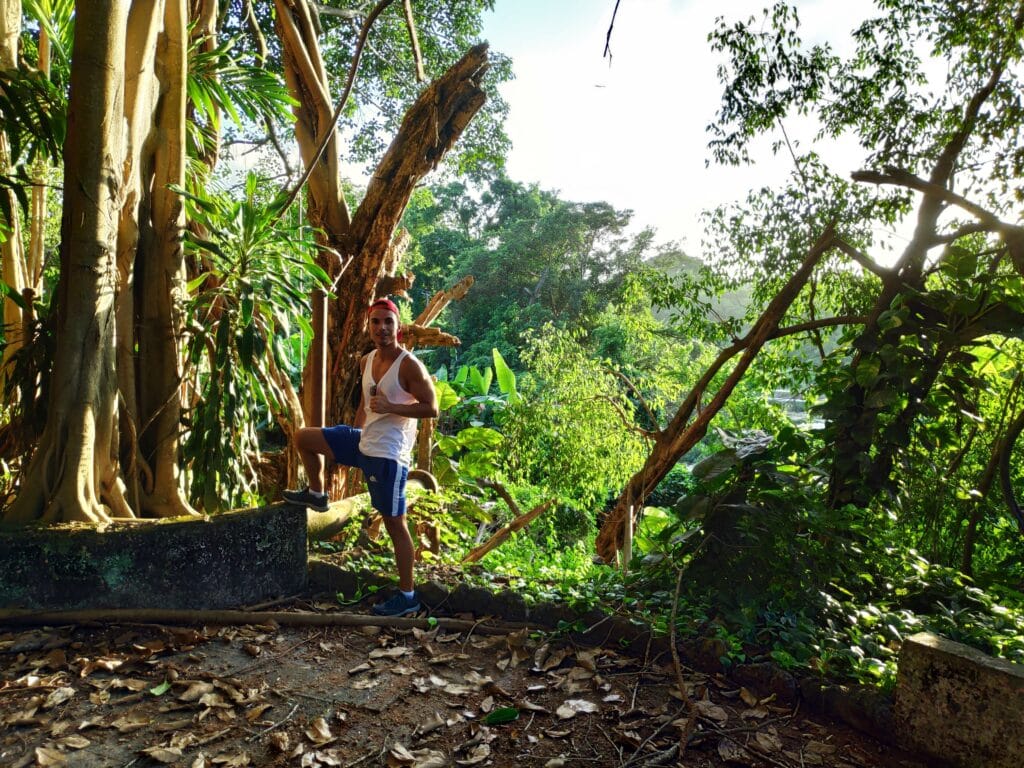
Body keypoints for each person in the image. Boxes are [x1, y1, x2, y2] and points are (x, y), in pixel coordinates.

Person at [283, 297, 439, 617]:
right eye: (376, 322)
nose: (382, 328)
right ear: (369, 326)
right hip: (364, 442)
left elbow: (431, 408)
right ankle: (317, 494)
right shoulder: (366, 360)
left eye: (388, 322)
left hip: (388, 455)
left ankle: (408, 596)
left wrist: (393, 408)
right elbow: (365, 404)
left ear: (398, 327)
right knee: (304, 438)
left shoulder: (409, 365)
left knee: (396, 523)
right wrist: (355, 435)